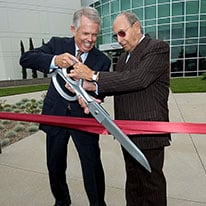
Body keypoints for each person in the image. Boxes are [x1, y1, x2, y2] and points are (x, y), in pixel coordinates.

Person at [68, 11, 171, 206]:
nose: (119, 39)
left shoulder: (157, 48)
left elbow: (139, 79)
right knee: (133, 183)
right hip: (125, 132)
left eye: (122, 33)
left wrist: (94, 76)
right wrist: (87, 88)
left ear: (137, 27)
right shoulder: (123, 58)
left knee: (151, 185)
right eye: (115, 35)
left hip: (148, 132)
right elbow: (120, 84)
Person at [20, 7, 111, 206]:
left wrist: (88, 96)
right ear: (73, 29)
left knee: (92, 165)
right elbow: (25, 58)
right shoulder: (57, 45)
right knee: (55, 164)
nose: (90, 39)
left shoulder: (103, 61)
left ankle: (98, 203)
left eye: (95, 34)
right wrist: (54, 60)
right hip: (56, 115)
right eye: (86, 33)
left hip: (83, 119)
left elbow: (99, 92)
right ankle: (62, 201)